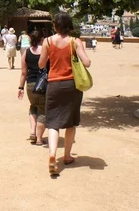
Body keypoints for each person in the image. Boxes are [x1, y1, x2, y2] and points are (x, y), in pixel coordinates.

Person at [38, 12, 91, 175]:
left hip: (54, 84)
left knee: (53, 122)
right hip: (72, 85)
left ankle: (52, 154)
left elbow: (41, 64)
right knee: (70, 122)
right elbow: (87, 63)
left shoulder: (47, 41)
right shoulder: (75, 42)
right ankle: (67, 156)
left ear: (55, 25)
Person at [18, 30, 47, 145]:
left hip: (30, 84)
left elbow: (24, 73)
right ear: (41, 39)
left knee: (33, 107)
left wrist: (20, 88)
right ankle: (39, 138)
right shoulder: (46, 52)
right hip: (44, 84)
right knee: (43, 110)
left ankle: (32, 131)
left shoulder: (26, 52)